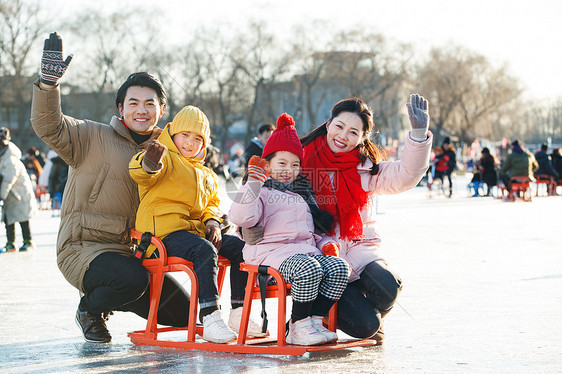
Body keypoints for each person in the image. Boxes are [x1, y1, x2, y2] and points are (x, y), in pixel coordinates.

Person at [31, 32, 192, 343]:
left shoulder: (167, 154)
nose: (141, 110)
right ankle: (89, 308)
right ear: (122, 107)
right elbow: (48, 125)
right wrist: (49, 85)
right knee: (131, 280)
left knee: (183, 314)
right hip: (84, 248)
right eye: (133, 103)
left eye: (150, 103)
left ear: (161, 110)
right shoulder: (90, 136)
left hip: (136, 254)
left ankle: (112, 294)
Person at [298, 95, 431, 344]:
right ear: (329, 125)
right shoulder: (302, 161)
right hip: (322, 257)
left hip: (359, 250)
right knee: (367, 326)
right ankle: (328, 311)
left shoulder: (366, 168)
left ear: (362, 138)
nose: (343, 136)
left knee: (389, 286)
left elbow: (406, 175)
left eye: (353, 132)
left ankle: (356, 303)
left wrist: (418, 134)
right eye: (339, 126)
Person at [129, 105, 265, 343]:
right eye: (185, 136)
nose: (190, 143)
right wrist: (148, 165)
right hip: (161, 235)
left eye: (197, 138)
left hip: (194, 234)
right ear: (173, 135)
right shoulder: (165, 158)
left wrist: (212, 221)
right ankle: (210, 315)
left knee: (242, 249)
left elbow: (211, 203)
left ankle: (238, 310)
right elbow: (140, 172)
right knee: (204, 249)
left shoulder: (206, 174)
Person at [229, 113, 351, 346]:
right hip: (269, 257)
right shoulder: (259, 191)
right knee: (309, 268)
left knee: (339, 268)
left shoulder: (301, 194)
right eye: (282, 163)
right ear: (267, 164)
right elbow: (240, 216)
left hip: (304, 253)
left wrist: (323, 243)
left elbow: (307, 232)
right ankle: (298, 324)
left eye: (295, 165)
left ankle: (314, 321)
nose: (288, 170)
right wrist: (254, 181)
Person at [0, 127, 36, 253]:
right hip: (12, 196)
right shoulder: (3, 157)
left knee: (22, 219)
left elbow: (8, 179)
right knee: (8, 220)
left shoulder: (10, 159)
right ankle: (10, 243)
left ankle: (28, 241)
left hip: (19, 195)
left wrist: (1, 195)